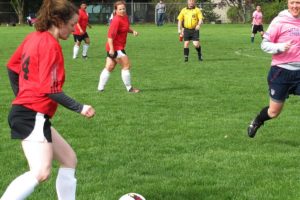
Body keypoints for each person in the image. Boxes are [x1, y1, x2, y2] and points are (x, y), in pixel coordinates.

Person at [1, 0, 95, 199]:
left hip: (30, 112)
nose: (74, 29)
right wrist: (80, 107)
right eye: (71, 25)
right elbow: (50, 89)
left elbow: (12, 67)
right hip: (31, 114)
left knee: (69, 159)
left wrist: (21, 95)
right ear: (59, 21)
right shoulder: (51, 45)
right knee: (41, 172)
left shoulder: (33, 37)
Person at [247, 0, 300, 138]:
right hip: (281, 71)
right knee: (274, 112)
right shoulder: (279, 21)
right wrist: (280, 47)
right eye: (292, 2)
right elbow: (264, 45)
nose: (295, 6)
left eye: (298, 2)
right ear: (288, 4)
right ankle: (258, 121)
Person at [97, 1, 140, 93]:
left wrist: (133, 31)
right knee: (126, 65)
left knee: (110, 66)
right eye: (120, 9)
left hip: (118, 46)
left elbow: (125, 28)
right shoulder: (116, 20)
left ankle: (100, 88)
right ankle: (130, 88)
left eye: (123, 8)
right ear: (115, 10)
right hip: (115, 47)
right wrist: (112, 49)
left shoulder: (125, 17)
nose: (122, 10)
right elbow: (110, 36)